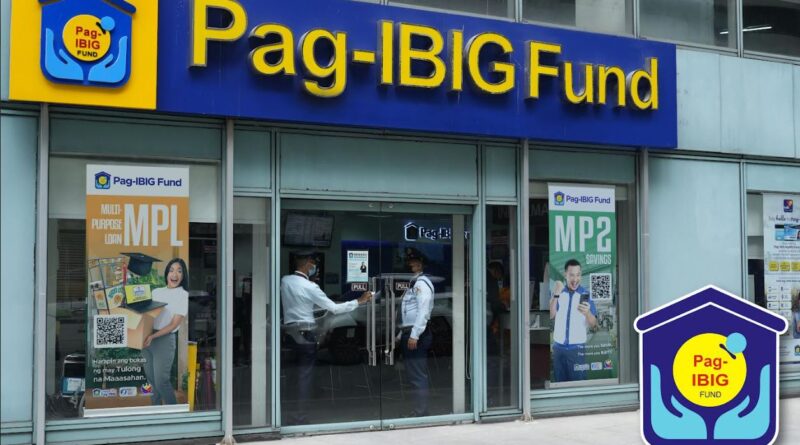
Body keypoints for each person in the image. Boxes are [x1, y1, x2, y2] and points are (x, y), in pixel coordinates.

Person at [281, 251, 372, 424]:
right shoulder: (311, 287)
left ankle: (286, 413)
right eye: (314, 264)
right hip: (305, 334)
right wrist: (359, 301)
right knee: (304, 377)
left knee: (292, 376)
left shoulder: (285, 281)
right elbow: (334, 308)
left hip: (290, 335)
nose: (315, 267)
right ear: (308, 264)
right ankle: (300, 417)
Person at [143, 258, 189, 405]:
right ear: (167, 273)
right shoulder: (156, 292)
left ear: (183, 275)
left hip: (164, 340)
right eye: (171, 270)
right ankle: (156, 413)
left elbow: (173, 324)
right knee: (151, 382)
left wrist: (153, 336)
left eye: (179, 271)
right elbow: (147, 315)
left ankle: (173, 414)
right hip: (147, 337)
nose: (174, 274)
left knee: (161, 381)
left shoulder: (183, 295)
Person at [399, 247, 435, 417]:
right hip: (411, 332)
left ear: (421, 265)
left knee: (417, 374)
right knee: (413, 374)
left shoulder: (421, 284)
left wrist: (414, 334)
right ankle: (419, 409)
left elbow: (423, 311)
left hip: (417, 334)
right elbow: (408, 311)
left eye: (415, 262)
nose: (411, 264)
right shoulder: (413, 283)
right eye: (410, 262)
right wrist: (401, 333)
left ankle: (421, 412)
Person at [549, 259, 597, 382]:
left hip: (577, 350)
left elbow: (594, 324)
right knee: (559, 383)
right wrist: (556, 294)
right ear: (565, 274)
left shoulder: (585, 295)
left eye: (578, 275)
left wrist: (587, 313)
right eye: (571, 275)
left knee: (578, 384)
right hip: (558, 349)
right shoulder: (559, 293)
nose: (575, 279)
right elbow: (551, 315)